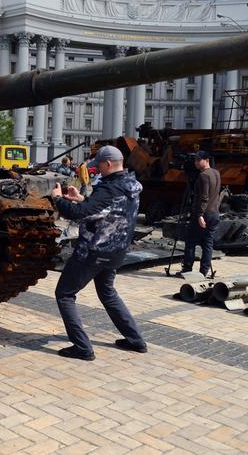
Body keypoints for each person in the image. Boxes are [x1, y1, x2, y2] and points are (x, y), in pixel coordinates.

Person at [50, 145, 147, 361]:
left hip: (94, 252)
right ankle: (135, 340)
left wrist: (58, 199)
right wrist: (82, 199)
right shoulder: (131, 185)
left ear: (109, 164)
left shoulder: (109, 188)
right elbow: (107, 211)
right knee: (107, 292)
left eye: (99, 166)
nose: (98, 170)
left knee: (64, 294)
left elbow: (80, 215)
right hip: (116, 251)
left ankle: (82, 348)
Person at [180, 151, 221, 277]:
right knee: (208, 243)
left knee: (191, 241)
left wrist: (199, 215)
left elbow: (204, 197)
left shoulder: (204, 175)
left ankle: (187, 269)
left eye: (199, 160)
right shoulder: (216, 173)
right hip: (214, 213)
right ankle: (204, 271)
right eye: (195, 160)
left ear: (206, 160)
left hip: (204, 214)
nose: (196, 163)